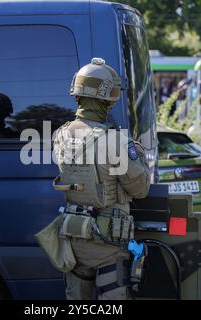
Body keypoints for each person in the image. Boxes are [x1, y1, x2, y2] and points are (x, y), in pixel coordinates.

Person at [52, 58, 152, 300]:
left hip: (73, 237)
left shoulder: (61, 134)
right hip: (108, 243)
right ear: (108, 97)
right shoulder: (116, 141)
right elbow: (140, 189)